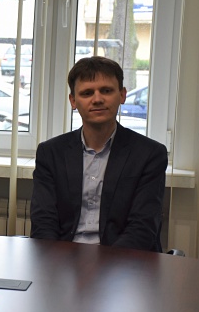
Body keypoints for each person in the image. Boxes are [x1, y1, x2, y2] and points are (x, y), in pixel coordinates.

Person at [30, 56, 167, 252]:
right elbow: (43, 222)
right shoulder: (50, 153)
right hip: (63, 259)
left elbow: (142, 228)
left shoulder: (150, 154)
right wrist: (58, 263)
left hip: (124, 261)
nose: (97, 99)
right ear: (73, 101)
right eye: (87, 93)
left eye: (106, 91)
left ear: (122, 95)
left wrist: (104, 265)